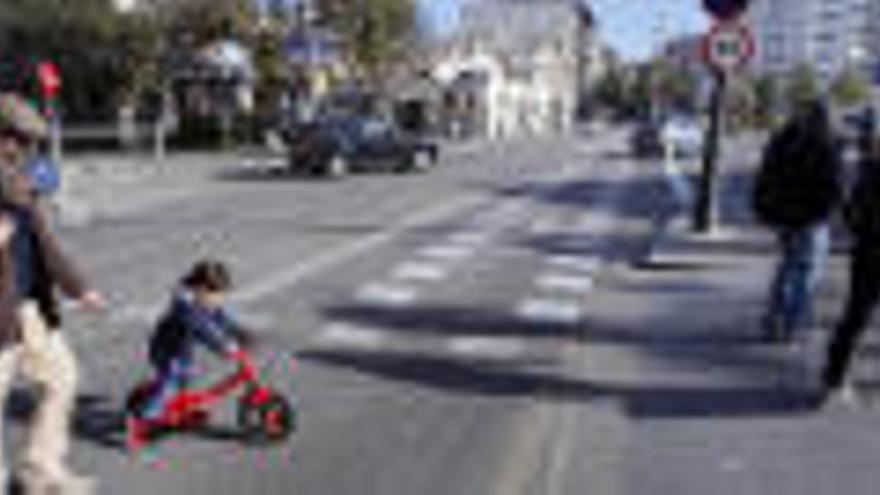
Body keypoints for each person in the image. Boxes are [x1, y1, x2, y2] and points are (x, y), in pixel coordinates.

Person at [0, 93, 105, 492]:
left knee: (61, 379)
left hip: (29, 308)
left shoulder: (22, 186)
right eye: (21, 139)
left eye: (33, 142)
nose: (30, 150)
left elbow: (45, 246)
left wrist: (80, 289)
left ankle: (40, 470)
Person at [127, 260, 253, 447]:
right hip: (166, 351)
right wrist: (225, 347)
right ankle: (144, 423)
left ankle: (182, 410)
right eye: (216, 294)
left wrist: (240, 333)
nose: (218, 300)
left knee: (186, 377)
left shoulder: (202, 301)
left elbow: (220, 318)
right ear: (201, 289)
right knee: (170, 384)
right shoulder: (185, 307)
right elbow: (203, 330)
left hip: (180, 351)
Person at [752, 100, 842, 343]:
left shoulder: (781, 139)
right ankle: (793, 325)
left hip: (783, 216)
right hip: (811, 218)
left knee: (786, 268)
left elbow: (764, 176)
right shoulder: (824, 143)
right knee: (806, 273)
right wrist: (831, 212)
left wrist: (765, 211)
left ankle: (772, 322)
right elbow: (833, 184)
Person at [818, 113, 880, 405]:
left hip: (867, 250)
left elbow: (851, 212)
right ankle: (835, 377)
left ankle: (834, 378)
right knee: (856, 316)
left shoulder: (868, 168)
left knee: (855, 316)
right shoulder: (869, 168)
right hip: (870, 250)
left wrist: (860, 232)